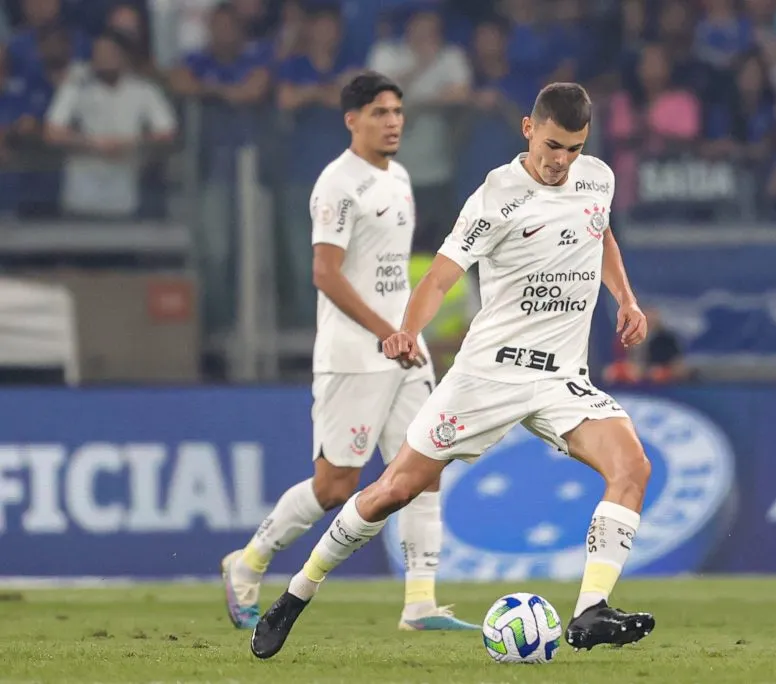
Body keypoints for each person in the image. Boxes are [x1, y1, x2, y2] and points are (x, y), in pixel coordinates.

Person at [251, 82, 656, 659]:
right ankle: (296, 593)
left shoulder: (597, 178)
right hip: (488, 376)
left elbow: (600, 232)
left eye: (573, 148)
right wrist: (407, 332)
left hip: (562, 377)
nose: (560, 161)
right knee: (395, 489)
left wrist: (627, 299)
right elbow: (439, 277)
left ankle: (590, 609)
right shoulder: (495, 197)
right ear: (527, 128)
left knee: (633, 466)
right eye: (551, 145)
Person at [220, 71, 476, 634]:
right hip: (353, 356)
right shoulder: (337, 184)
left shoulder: (401, 177)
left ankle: (420, 604)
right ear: (351, 119)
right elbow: (325, 274)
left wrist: (403, 330)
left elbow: (385, 273)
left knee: (424, 468)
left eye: (398, 112)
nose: (393, 123)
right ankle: (250, 560)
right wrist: (388, 330)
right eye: (381, 113)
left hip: (402, 350)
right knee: (336, 486)